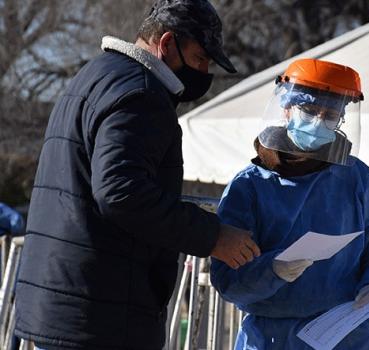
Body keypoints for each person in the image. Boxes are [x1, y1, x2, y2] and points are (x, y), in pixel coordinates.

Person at [14, 1, 260, 349]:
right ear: (166, 43)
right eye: (200, 58)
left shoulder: (94, 75)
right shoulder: (142, 93)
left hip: (63, 300)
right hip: (100, 313)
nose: (205, 70)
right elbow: (120, 192)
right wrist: (212, 236)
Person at [210, 58, 369, 349]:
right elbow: (228, 277)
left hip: (348, 336)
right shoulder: (250, 186)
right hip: (271, 338)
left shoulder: (356, 179)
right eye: (310, 110)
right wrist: (272, 269)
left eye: (330, 115)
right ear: (287, 108)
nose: (318, 121)